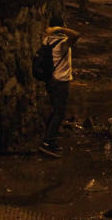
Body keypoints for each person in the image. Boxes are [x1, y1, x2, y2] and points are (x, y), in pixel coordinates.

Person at [39, 15, 79, 158]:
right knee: (59, 112)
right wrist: (61, 29)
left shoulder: (47, 41)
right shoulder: (62, 43)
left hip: (51, 80)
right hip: (61, 81)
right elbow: (76, 35)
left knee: (55, 110)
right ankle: (48, 142)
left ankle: (50, 138)